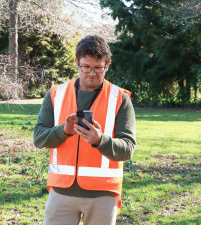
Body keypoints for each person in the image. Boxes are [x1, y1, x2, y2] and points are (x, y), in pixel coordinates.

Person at [33, 35, 136, 225]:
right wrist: (64, 130)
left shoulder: (120, 98)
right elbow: (39, 138)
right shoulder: (56, 93)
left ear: (107, 65)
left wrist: (100, 140)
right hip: (61, 192)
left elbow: (128, 149)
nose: (92, 73)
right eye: (86, 67)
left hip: (103, 196)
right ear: (76, 63)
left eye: (98, 68)